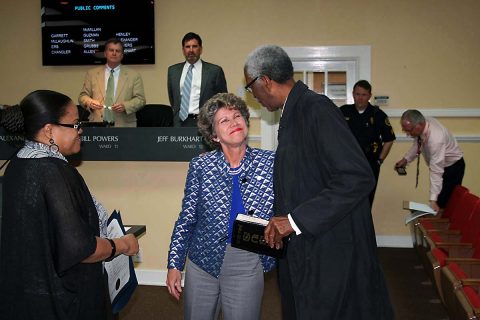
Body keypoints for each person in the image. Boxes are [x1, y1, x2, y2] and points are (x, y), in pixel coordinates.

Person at [244, 45, 394, 319]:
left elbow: (357, 177)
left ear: (265, 80)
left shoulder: (315, 108)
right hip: (308, 244)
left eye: (249, 86)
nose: (251, 94)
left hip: (329, 247)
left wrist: (295, 220)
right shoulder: (294, 111)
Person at [0, 90, 139, 320]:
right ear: (48, 130)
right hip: (60, 301)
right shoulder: (54, 172)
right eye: (75, 124)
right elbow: (80, 248)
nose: (80, 130)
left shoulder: (16, 164)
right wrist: (121, 245)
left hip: (24, 296)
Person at [166, 93, 276, 320]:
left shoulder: (271, 162)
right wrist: (174, 264)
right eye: (224, 120)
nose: (234, 122)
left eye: (237, 116)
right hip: (201, 261)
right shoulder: (200, 165)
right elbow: (187, 218)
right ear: (214, 135)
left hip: (247, 260)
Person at [395, 109, 465, 213]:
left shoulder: (436, 138)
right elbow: (418, 143)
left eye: (410, 130)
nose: (408, 134)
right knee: (441, 204)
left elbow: (436, 170)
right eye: (405, 130)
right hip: (443, 166)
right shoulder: (423, 124)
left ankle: (441, 227)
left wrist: (433, 200)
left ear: (420, 124)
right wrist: (406, 159)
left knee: (443, 205)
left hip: (452, 168)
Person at [340, 80, 396, 205]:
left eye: (364, 95)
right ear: (353, 94)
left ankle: (364, 225)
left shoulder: (378, 115)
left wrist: (379, 160)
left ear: (369, 96)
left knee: (366, 200)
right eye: (357, 94)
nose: (360, 98)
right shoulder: (343, 112)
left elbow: (389, 139)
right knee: (347, 200)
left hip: (369, 164)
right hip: (347, 164)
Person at [79, 38, 146, 127]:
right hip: (97, 124)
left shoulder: (133, 75)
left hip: (124, 126)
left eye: (117, 51)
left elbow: (141, 100)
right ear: (105, 53)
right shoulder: (92, 74)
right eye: (111, 50)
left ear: (122, 55)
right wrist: (90, 102)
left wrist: (125, 106)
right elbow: (82, 96)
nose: (114, 53)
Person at [167, 32, 227, 127]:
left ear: (201, 49)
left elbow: (222, 100)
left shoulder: (214, 71)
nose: (191, 50)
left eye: (194, 46)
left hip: (206, 123)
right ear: (183, 50)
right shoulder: (173, 71)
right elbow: (173, 98)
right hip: (179, 122)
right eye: (187, 47)